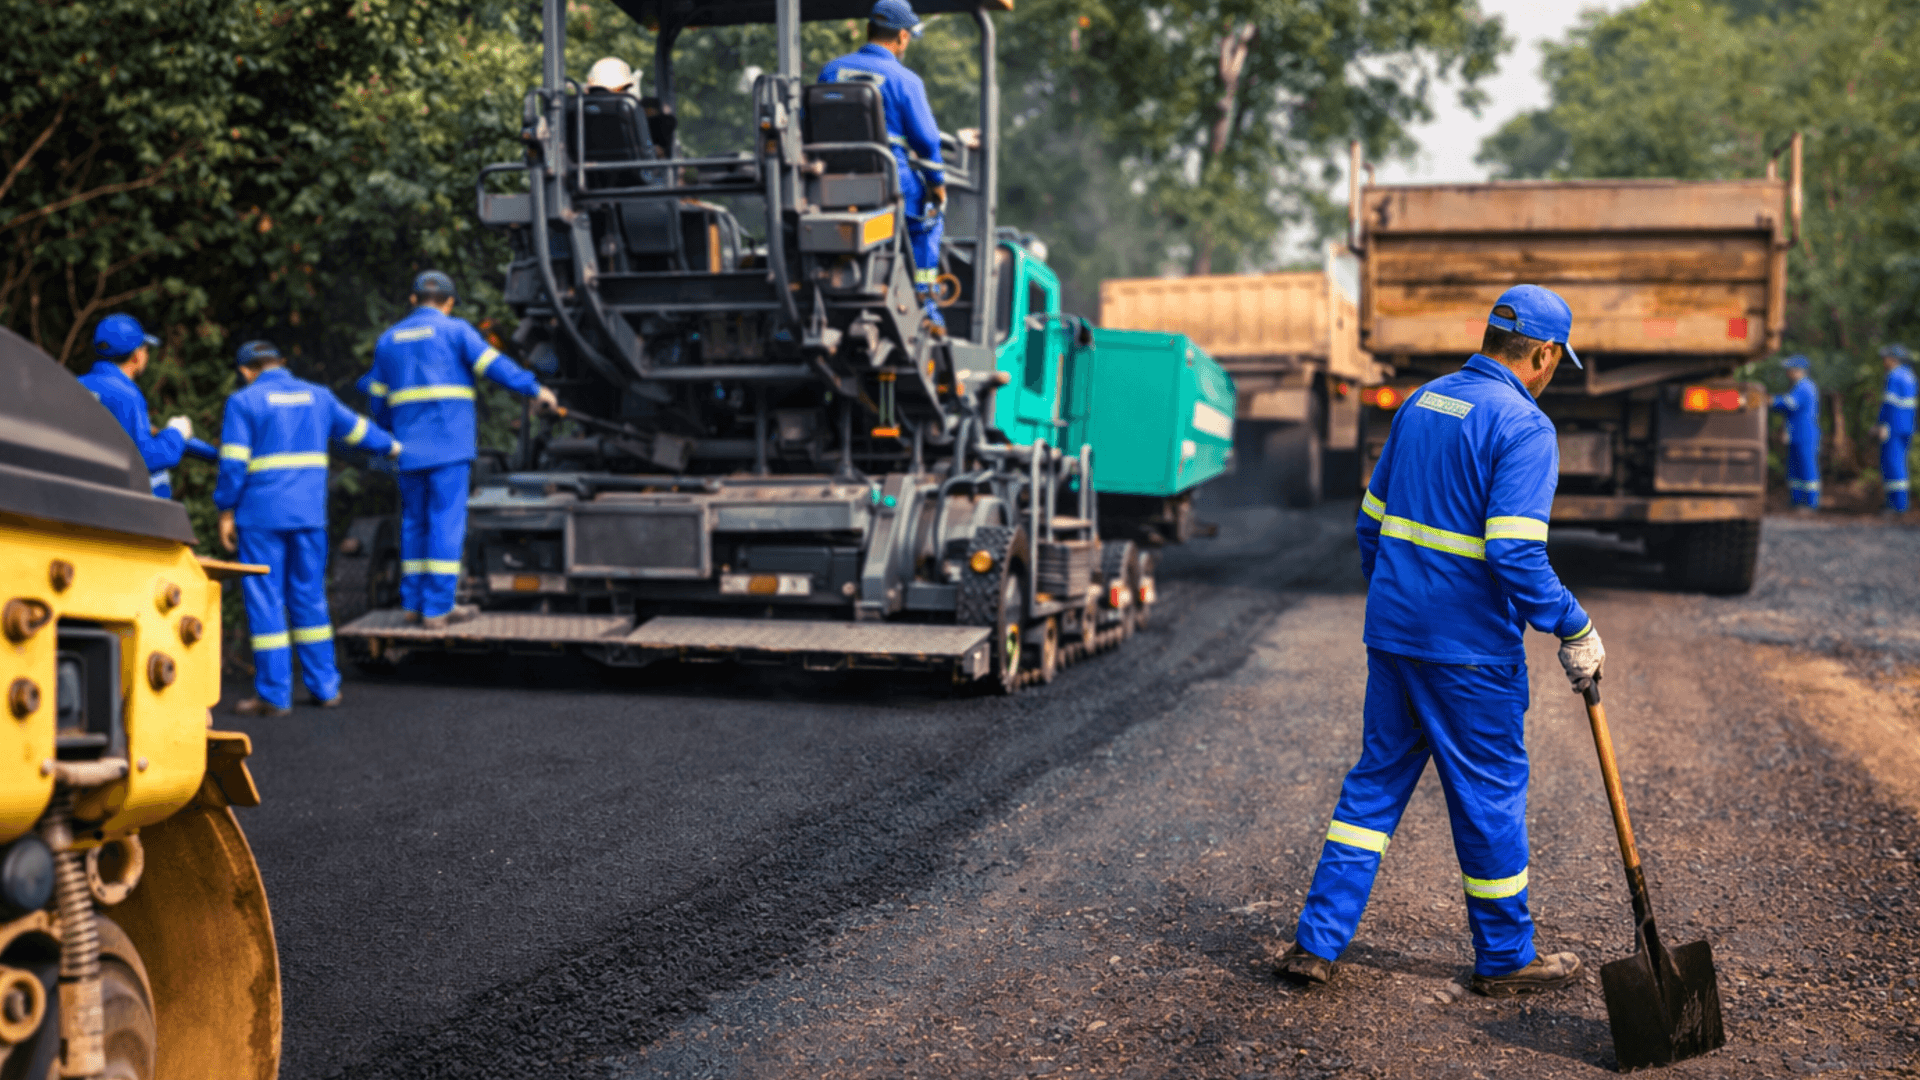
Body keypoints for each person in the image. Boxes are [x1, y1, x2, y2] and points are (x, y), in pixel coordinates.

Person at [1275, 284, 1601, 998]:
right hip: (1470, 654)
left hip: (1394, 635)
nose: (1552, 374)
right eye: (1556, 362)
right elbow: (1516, 553)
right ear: (1543, 354)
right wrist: (1572, 624)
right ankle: (1507, 956)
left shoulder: (1423, 402)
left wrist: (1400, 597)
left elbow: (1370, 522)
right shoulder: (1523, 426)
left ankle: (1315, 944)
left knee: (1374, 788)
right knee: (1487, 799)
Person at [215, 340, 399, 717]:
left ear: (247, 371)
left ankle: (273, 696)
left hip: (261, 517)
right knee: (310, 598)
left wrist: (225, 510)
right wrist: (395, 447)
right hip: (308, 517)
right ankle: (325, 688)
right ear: (282, 363)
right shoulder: (319, 397)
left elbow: (233, 464)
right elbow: (360, 432)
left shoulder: (244, 402)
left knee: (267, 602)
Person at [367, 272, 557, 628]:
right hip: (448, 448)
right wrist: (535, 390)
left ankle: (412, 603)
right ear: (450, 303)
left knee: (414, 524)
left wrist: (388, 438)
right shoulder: (456, 332)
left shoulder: (388, 340)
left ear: (413, 300)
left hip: (407, 451)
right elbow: (495, 367)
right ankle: (438, 608)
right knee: (445, 523)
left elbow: (377, 400)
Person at [819, 0, 948, 334]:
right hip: (889, 181)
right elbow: (927, 140)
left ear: (867, 30)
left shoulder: (831, 71)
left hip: (831, 183)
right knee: (930, 217)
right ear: (902, 38)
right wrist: (937, 183)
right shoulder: (905, 80)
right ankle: (924, 301)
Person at [76, 313, 214, 499]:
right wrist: (176, 432)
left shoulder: (76, 384)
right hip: (116, 503)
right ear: (136, 355)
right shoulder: (126, 395)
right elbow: (145, 460)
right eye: (146, 348)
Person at [1771, 355, 1820, 512]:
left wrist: (1771, 401)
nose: (1787, 372)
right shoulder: (1798, 385)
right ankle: (1797, 501)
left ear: (1799, 371)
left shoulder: (1805, 386)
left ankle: (1811, 503)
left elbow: (1789, 404)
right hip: (1795, 433)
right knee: (1794, 467)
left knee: (1807, 466)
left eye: (1790, 369)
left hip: (1805, 434)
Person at [1877, 344, 1913, 515]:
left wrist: (1882, 425)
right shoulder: (1909, 375)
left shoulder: (1894, 376)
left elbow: (1889, 404)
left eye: (1886, 358)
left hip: (1894, 426)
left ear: (1893, 359)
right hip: (1907, 426)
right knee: (1900, 463)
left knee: (1892, 463)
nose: (1883, 361)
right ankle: (1900, 503)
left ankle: (1897, 505)